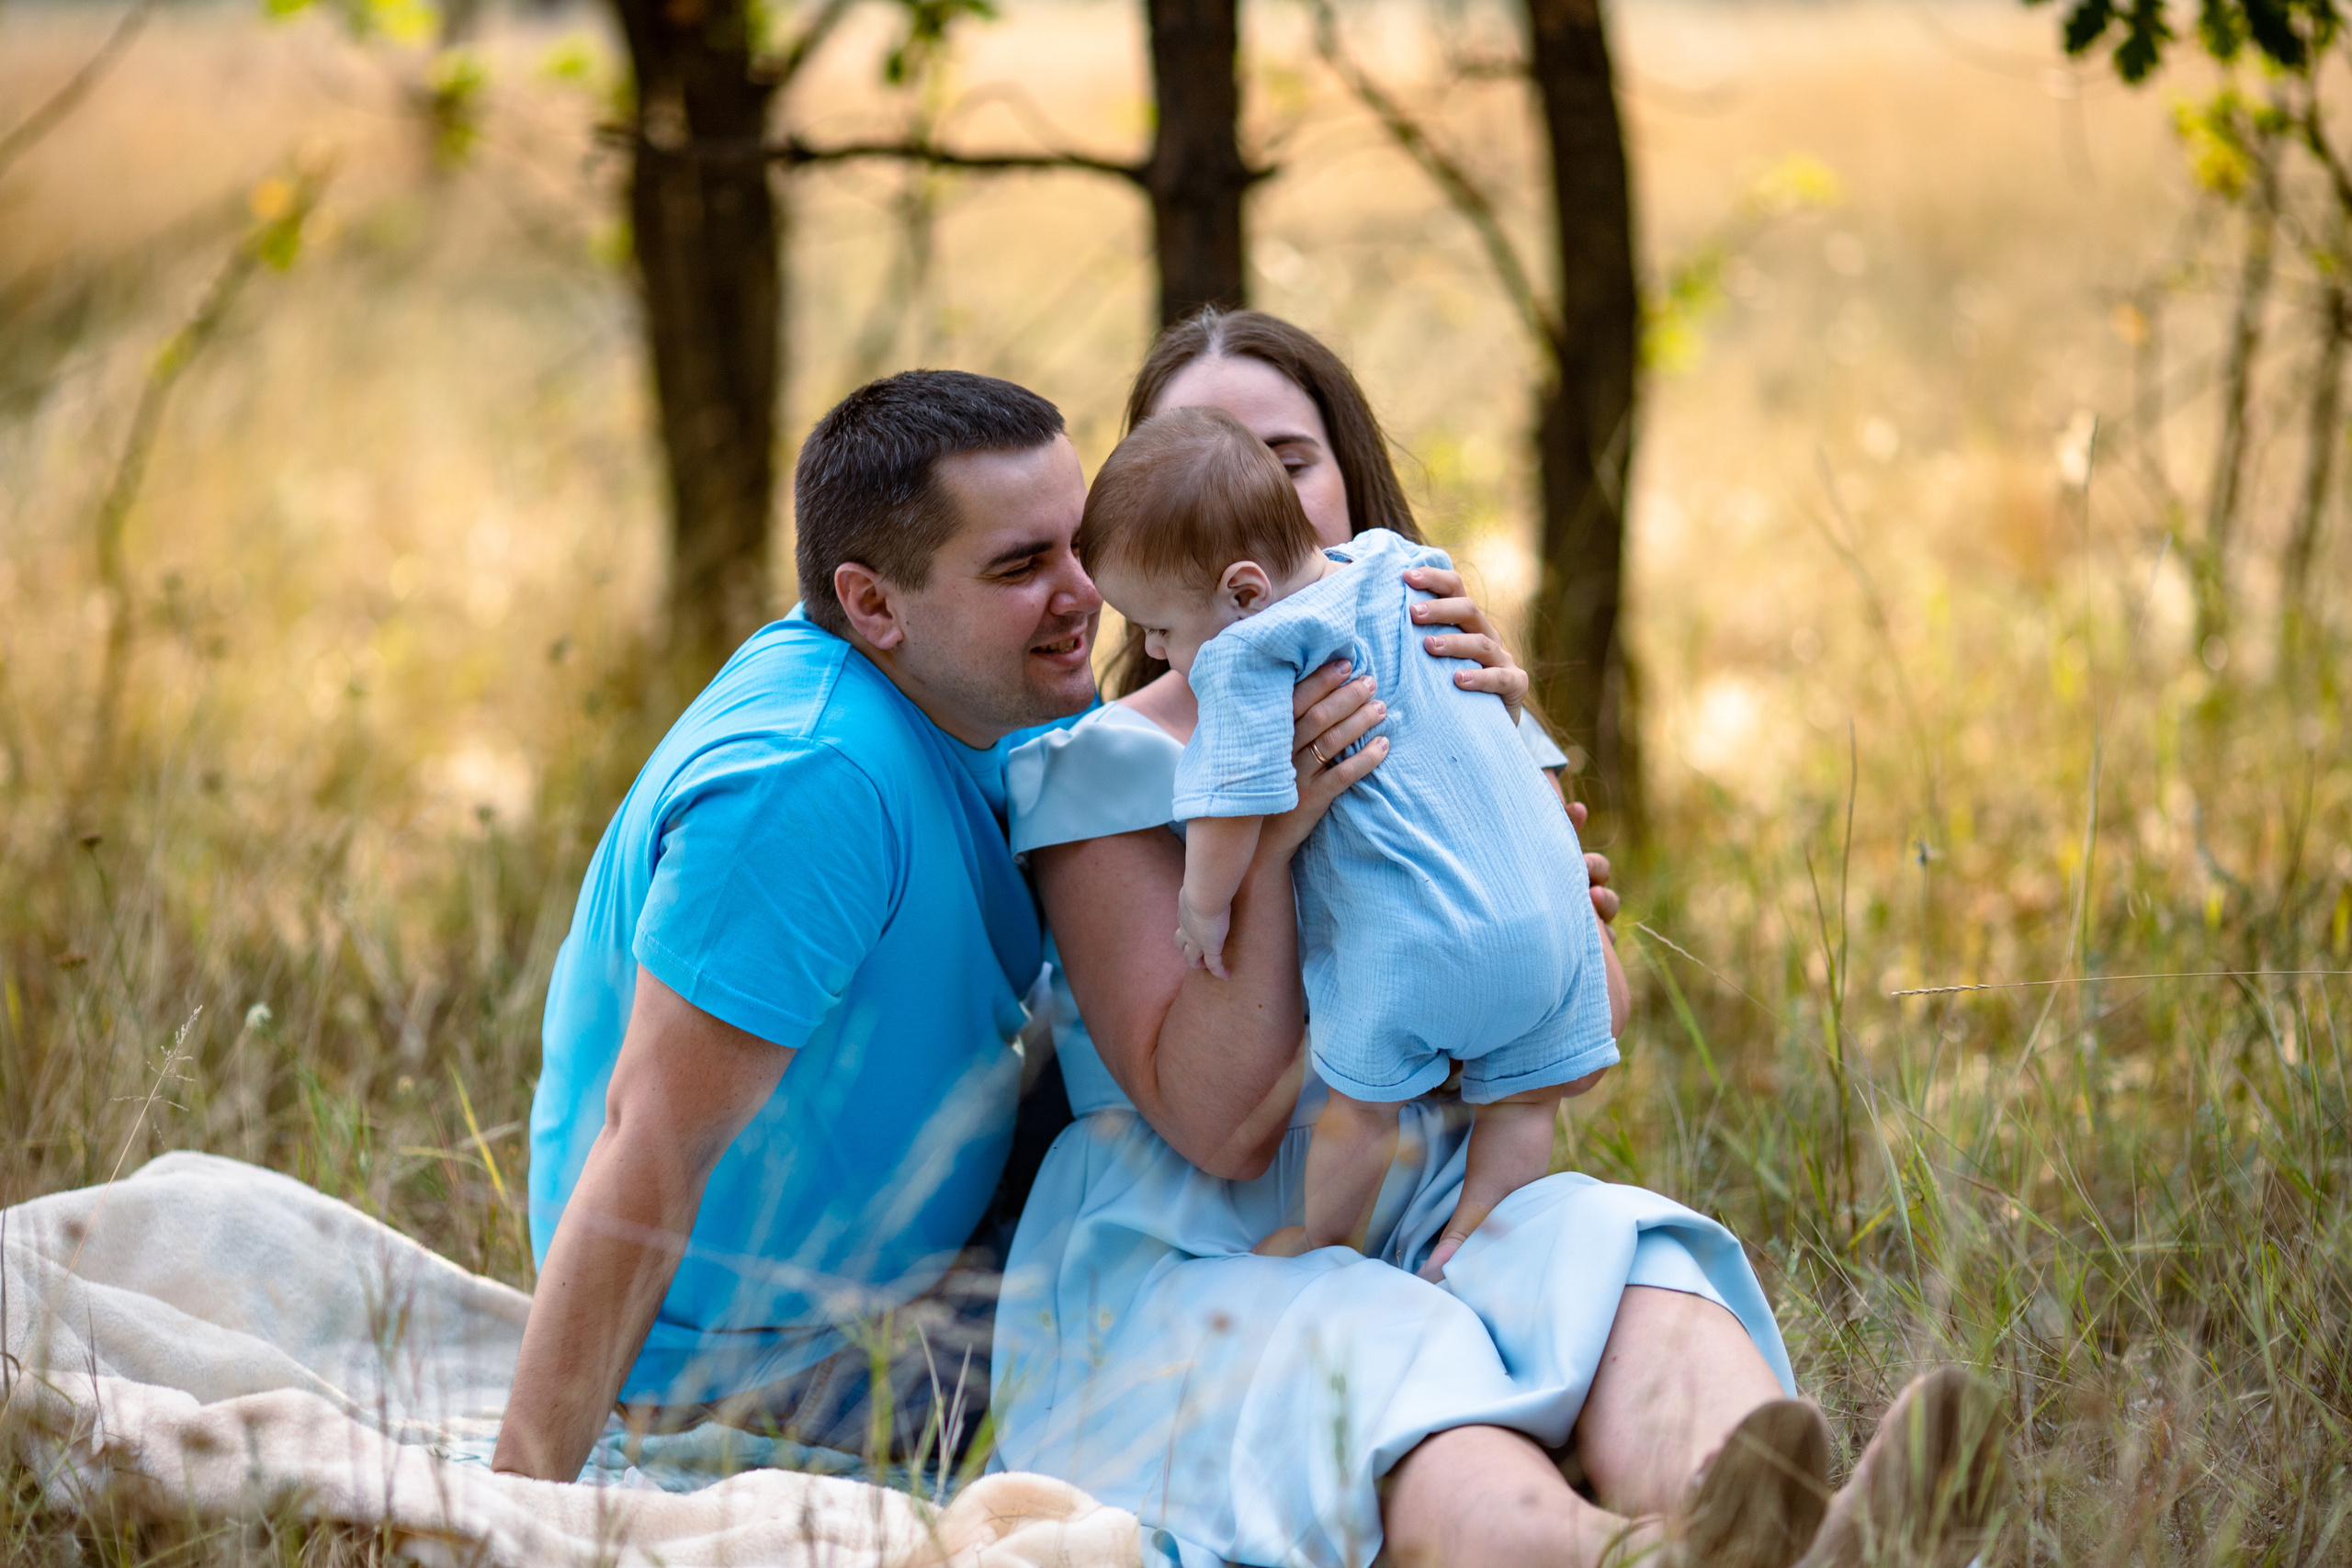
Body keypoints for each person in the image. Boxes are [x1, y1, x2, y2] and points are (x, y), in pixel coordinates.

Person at [989, 308, 2006, 1568]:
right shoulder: (1100, 771)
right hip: (1210, 1249)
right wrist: (1276, 839)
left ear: (1346, 484)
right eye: (1201, 456)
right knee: (1382, 1356)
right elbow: (1222, 1124)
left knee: (1610, 1252)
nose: (1245, 495)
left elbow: (1590, 1013)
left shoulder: (1437, 669)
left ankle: (1798, 1529)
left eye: (1287, 459)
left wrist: (1510, 822)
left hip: (1432, 1190)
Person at [489, 366, 1534, 1485]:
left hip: (939, 1249)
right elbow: (649, 1141)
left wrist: (1484, 805)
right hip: (771, 1359)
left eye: (1077, 545)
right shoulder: (806, 783)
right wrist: (522, 1500)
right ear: (873, 604)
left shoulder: (981, 699)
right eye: (1020, 567)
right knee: (1240, 1366)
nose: (1084, 593)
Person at [1076, 407, 1619, 1273]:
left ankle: (1321, 1241)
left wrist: (1204, 904)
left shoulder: (1255, 648)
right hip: (1551, 932)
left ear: (1244, 592)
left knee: (1361, 1110)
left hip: (1421, 955)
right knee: (1525, 1099)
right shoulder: (1404, 567)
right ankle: (1474, 1235)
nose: (1149, 643)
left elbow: (1231, 802)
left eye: (1161, 627)